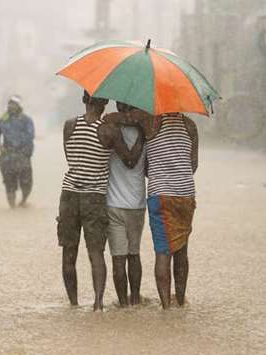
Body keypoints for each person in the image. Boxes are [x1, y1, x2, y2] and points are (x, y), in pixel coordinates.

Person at [57, 91, 139, 311]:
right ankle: (98, 304)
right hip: (95, 196)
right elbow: (130, 160)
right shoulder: (108, 130)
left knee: (68, 252)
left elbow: (70, 157)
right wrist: (141, 131)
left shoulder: (69, 125)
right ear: (105, 103)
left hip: (69, 194)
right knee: (96, 253)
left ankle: (73, 305)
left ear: (84, 100)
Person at [137, 111, 199, 309]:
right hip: (185, 194)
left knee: (163, 252)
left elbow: (144, 165)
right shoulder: (190, 125)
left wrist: (158, 171)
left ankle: (165, 307)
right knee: (181, 250)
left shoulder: (150, 124)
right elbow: (193, 164)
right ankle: (180, 302)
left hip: (161, 195)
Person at [104, 102, 146, 307]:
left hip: (113, 203)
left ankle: (122, 305)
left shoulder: (111, 128)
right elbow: (146, 169)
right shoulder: (146, 130)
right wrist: (141, 136)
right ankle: (136, 301)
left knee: (118, 258)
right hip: (137, 203)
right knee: (134, 255)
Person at [0, 95, 35, 208]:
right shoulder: (2, 120)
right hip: (7, 156)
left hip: (23, 155)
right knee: (9, 183)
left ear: (19, 106)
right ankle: (12, 207)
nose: (11, 106)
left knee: (27, 183)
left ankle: (23, 201)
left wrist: (25, 152)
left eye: (14, 104)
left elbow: (30, 136)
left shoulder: (26, 120)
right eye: (10, 104)